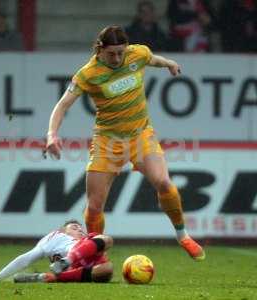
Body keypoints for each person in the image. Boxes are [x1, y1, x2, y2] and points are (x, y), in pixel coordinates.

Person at [45, 26, 205, 261]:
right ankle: (96, 255)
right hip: (107, 141)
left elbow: (154, 60)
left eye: (121, 52)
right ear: (100, 50)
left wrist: (169, 62)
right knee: (94, 207)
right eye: (112, 54)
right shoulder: (88, 74)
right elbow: (62, 105)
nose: (118, 58)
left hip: (140, 135)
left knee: (164, 183)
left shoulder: (137, 54)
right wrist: (52, 134)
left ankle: (183, 236)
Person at [0, 220, 113, 283]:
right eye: (74, 227)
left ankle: (47, 277)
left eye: (80, 228)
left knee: (107, 270)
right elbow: (26, 259)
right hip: (73, 264)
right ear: (63, 231)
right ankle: (67, 261)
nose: (79, 229)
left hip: (90, 260)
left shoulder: (88, 239)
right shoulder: (56, 238)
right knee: (107, 241)